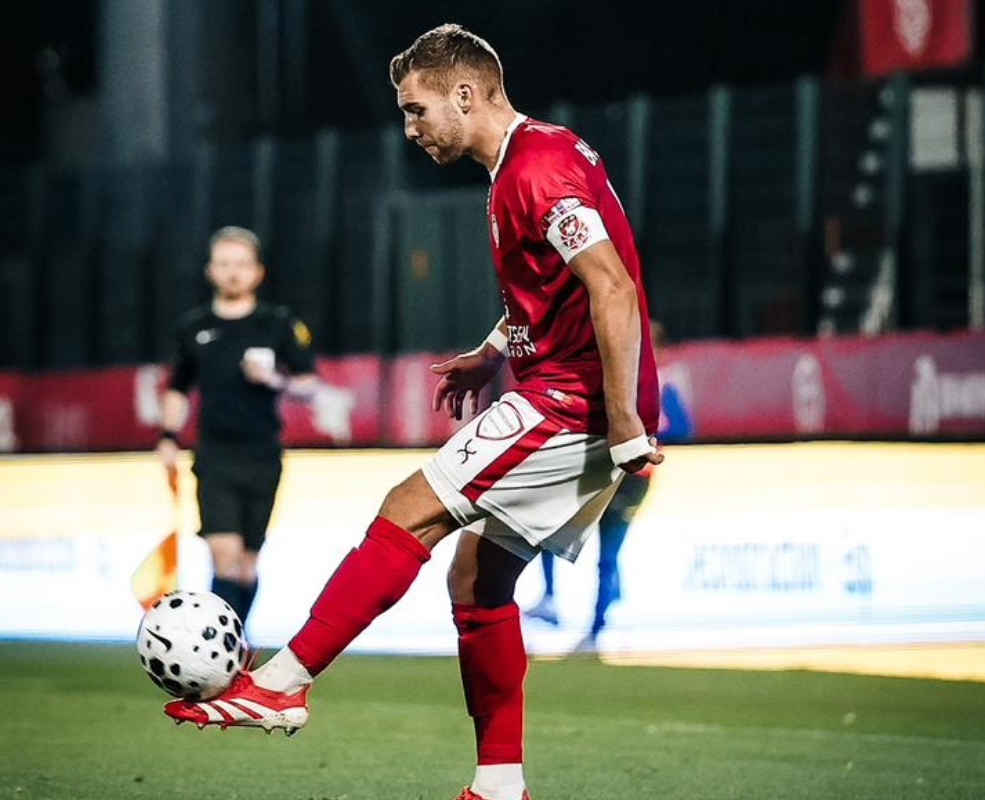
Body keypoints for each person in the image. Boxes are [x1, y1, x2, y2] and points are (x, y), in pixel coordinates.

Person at [164, 25, 662, 800]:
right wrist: (494, 349)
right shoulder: (527, 160)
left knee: (409, 508)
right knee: (476, 582)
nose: (409, 128)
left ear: (465, 94)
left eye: (416, 109)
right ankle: (498, 785)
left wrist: (624, 420)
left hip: (574, 400)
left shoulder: (537, 169)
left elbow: (614, 287)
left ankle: (283, 683)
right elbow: (554, 286)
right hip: (566, 390)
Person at [157, 225, 318, 625]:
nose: (233, 272)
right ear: (210, 270)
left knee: (246, 565)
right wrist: (167, 437)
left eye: (242, 264)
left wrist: (274, 379)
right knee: (223, 554)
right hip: (215, 456)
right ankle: (218, 644)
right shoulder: (194, 327)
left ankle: (235, 638)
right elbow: (178, 388)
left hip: (263, 455)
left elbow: (308, 384)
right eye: (225, 263)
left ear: (258, 272)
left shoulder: (278, 323)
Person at [522, 321, 693, 652]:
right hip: (601, 472)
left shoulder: (659, 386)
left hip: (630, 478)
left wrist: (647, 434)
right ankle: (554, 599)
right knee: (550, 527)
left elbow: (683, 429)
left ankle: (596, 625)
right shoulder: (615, 380)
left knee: (606, 553)